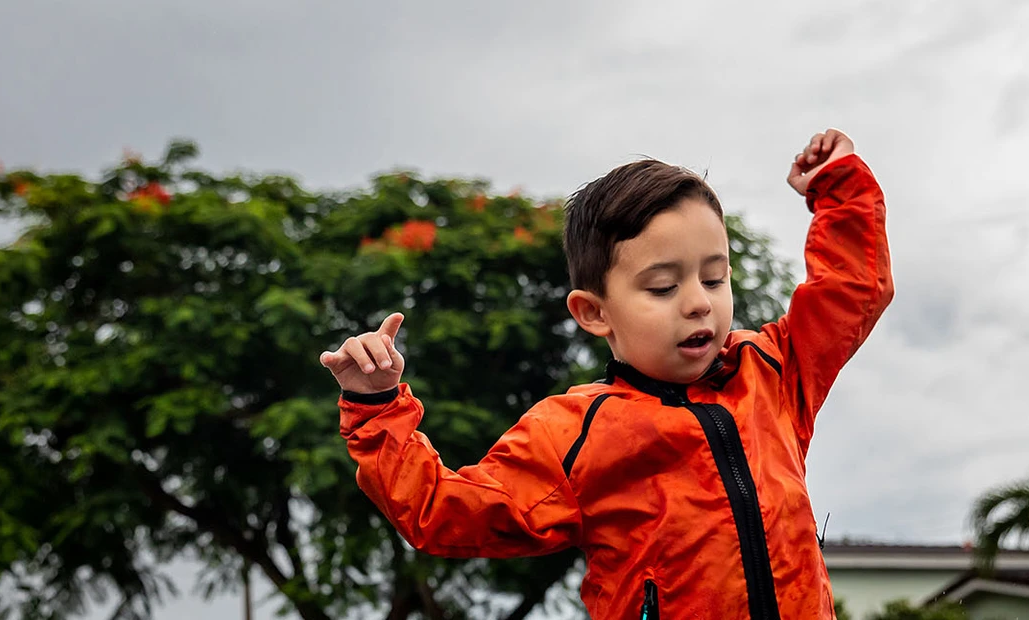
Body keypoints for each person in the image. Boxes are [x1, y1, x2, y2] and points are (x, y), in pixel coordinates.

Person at [319, 129, 893, 619]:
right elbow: (444, 512)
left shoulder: (772, 370)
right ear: (594, 313)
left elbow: (853, 289)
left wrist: (839, 186)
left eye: (714, 278)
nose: (699, 302)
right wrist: (376, 409)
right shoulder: (571, 433)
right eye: (663, 287)